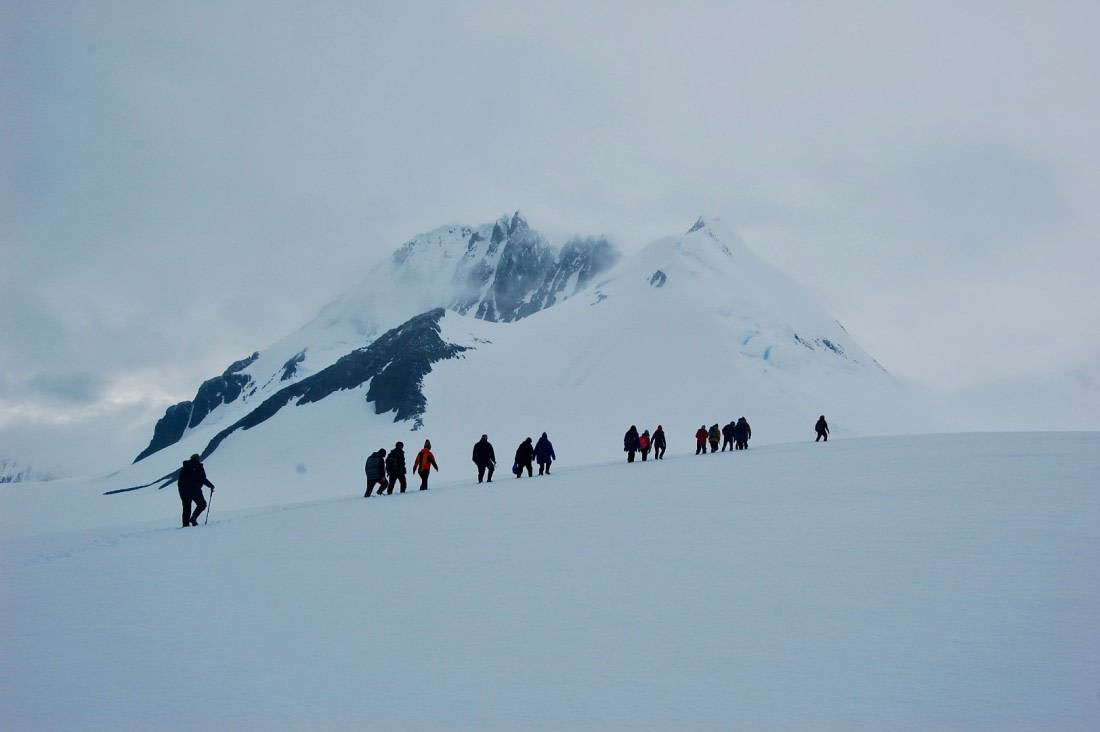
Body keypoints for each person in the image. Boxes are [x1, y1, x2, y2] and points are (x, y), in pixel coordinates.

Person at [177, 453, 215, 527]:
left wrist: (182, 489)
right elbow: (203, 479)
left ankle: (185, 525)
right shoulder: (198, 467)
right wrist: (211, 485)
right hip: (195, 490)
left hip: (183, 491)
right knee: (202, 504)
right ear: (198, 459)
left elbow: (180, 481)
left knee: (186, 508)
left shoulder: (184, 467)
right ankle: (193, 517)